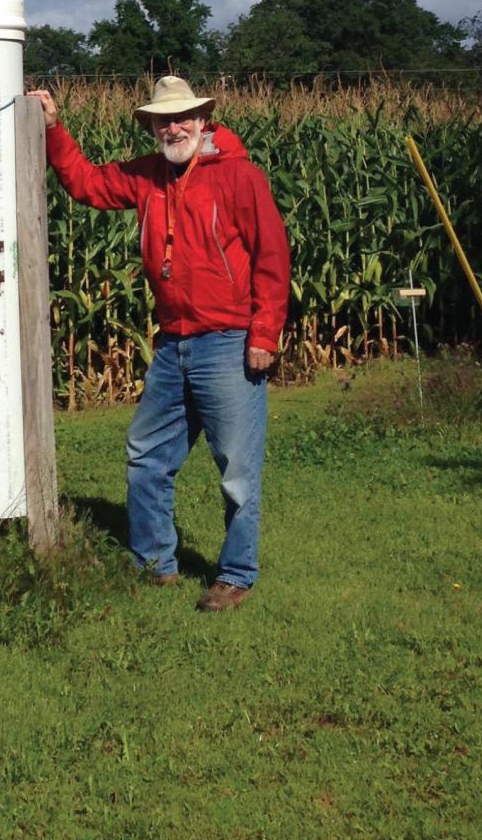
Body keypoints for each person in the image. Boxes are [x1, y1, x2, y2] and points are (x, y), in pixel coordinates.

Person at [27, 74, 290, 611]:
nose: (173, 127)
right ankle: (154, 564)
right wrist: (54, 128)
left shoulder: (240, 177)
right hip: (172, 345)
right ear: (152, 127)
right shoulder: (147, 176)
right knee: (146, 455)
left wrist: (264, 334)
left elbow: (271, 259)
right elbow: (86, 184)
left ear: (202, 120)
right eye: (162, 120)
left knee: (237, 470)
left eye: (181, 118)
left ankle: (235, 575)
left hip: (229, 342)